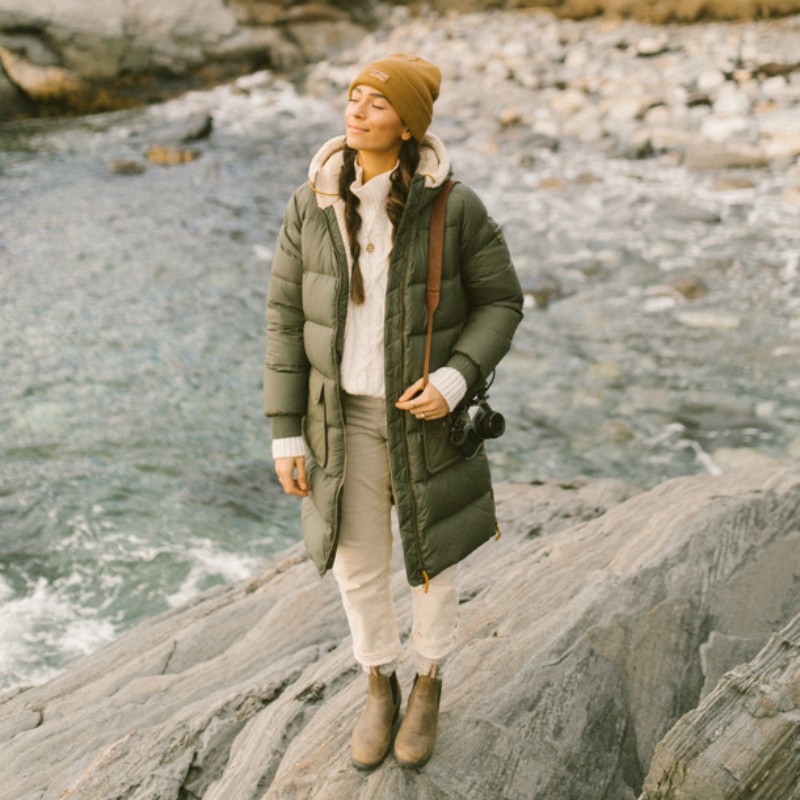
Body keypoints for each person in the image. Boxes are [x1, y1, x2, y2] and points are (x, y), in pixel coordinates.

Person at [263, 53, 523, 770]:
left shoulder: (454, 206)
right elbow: (285, 324)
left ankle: (429, 681)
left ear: (407, 125)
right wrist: (286, 432)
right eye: (353, 97)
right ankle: (379, 683)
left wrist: (457, 376)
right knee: (355, 563)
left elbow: (503, 301)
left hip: (427, 417)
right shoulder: (309, 203)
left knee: (432, 560)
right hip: (338, 419)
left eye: (377, 103)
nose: (357, 111)